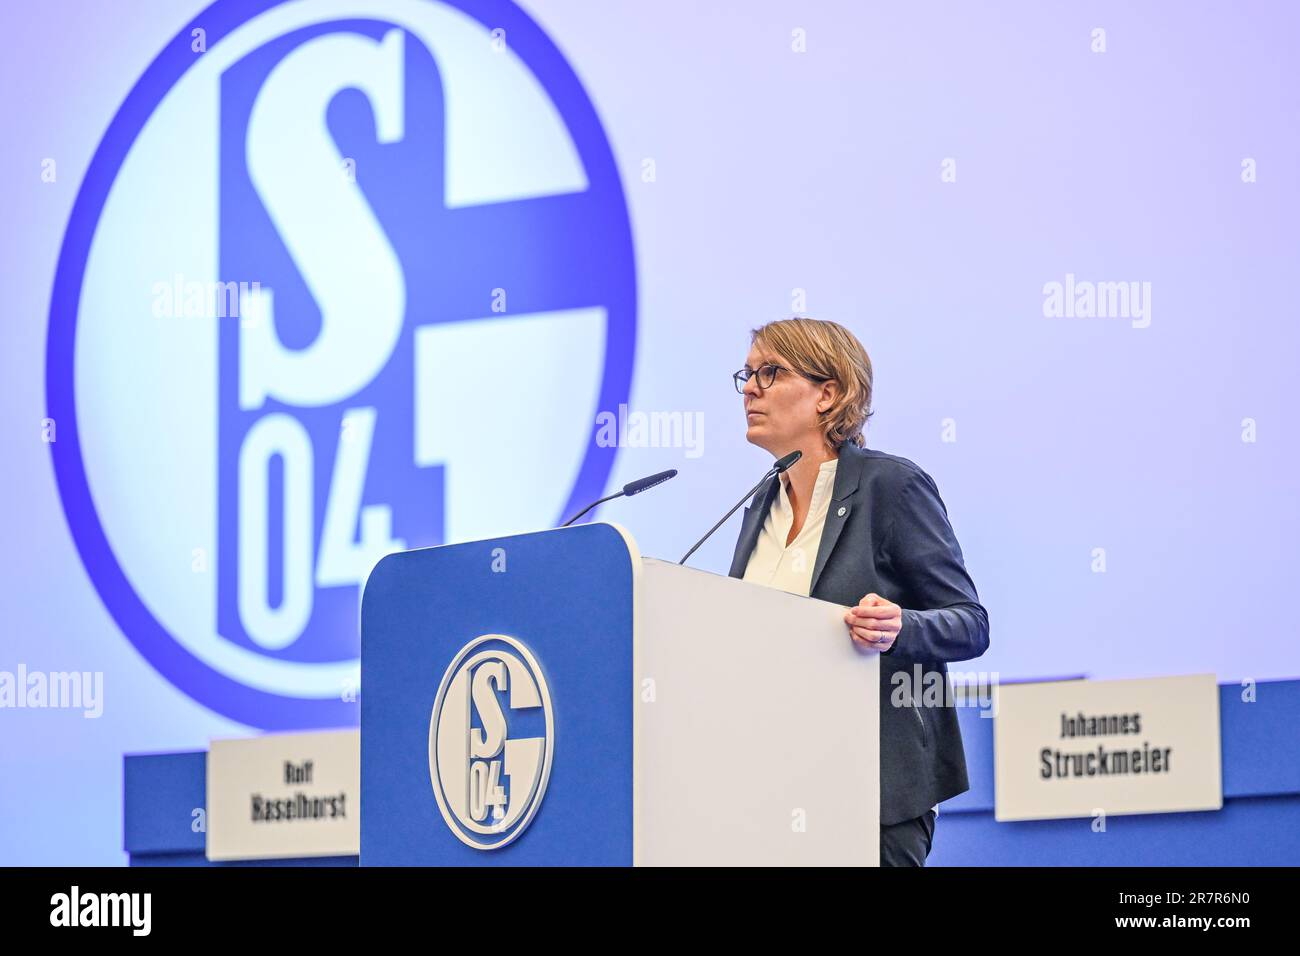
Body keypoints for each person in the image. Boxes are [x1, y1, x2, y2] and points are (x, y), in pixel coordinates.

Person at [729, 316, 989, 866]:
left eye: (770, 372)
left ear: (829, 393)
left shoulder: (889, 487)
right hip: (768, 787)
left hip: (872, 792)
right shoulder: (760, 506)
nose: (750, 388)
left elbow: (970, 622)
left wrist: (901, 627)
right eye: (747, 374)